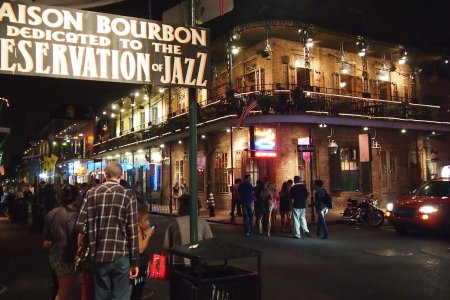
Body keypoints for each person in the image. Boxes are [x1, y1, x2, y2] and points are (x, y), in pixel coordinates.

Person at [76, 161, 139, 300]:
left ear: (105, 174)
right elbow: (132, 231)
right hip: (121, 254)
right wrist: (134, 262)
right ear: (121, 175)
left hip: (98, 253)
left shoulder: (91, 193)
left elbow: (80, 225)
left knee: (101, 296)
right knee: (121, 297)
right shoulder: (128, 194)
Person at [43, 185, 79, 300]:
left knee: (58, 289)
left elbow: (46, 239)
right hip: (67, 257)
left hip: (54, 256)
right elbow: (73, 239)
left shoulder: (51, 214)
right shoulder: (73, 216)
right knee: (63, 292)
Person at [163, 194, 213, 264]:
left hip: (177, 263)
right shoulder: (202, 222)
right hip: (197, 263)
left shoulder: (173, 222)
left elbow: (166, 245)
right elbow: (209, 243)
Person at [130, 203, 155, 300]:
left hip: (140, 264)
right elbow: (141, 249)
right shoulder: (136, 228)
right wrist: (148, 235)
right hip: (138, 265)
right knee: (136, 293)